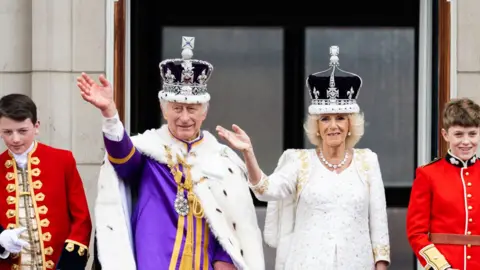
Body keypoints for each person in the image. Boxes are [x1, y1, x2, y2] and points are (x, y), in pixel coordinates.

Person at [78, 36, 264, 270]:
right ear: (164, 110)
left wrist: (226, 260)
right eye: (177, 108)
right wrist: (110, 113)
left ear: (204, 113)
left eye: (191, 109)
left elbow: (234, 220)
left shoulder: (221, 158)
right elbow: (122, 158)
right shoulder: (149, 151)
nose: (184, 117)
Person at [217, 45, 391, 270]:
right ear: (317, 126)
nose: (333, 126)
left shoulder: (368, 161)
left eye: (340, 118)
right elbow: (265, 190)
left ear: (350, 125)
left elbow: (379, 224)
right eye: (325, 119)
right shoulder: (299, 161)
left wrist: (381, 265)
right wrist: (248, 152)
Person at [0, 94, 92, 270]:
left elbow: (81, 219)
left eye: (22, 131)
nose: (15, 139)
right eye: (7, 132)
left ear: (36, 127)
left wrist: (69, 265)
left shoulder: (63, 160)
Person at [407, 98, 480, 270]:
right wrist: (441, 267)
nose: (466, 141)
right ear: (445, 135)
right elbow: (417, 232)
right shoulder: (428, 174)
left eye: (472, 134)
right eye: (459, 134)